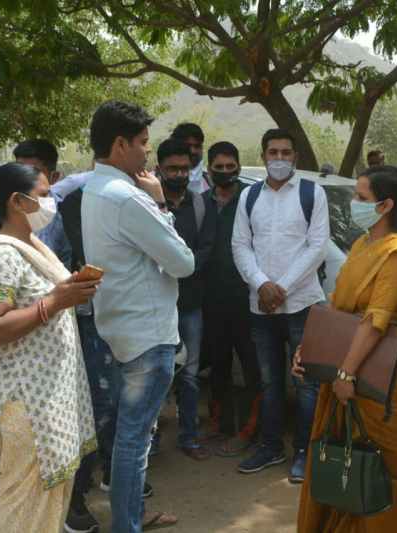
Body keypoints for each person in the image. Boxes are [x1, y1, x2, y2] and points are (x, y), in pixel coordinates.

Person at [294, 164, 397, 531]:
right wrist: (308, 351)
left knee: (380, 471)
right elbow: (340, 306)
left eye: (361, 197)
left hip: (380, 380)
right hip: (346, 367)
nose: (354, 204)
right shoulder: (363, 244)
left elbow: (376, 320)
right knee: (340, 461)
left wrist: (346, 374)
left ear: (385, 205)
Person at [0, 162, 97, 533]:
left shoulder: (32, 246)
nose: (52, 203)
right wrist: (54, 302)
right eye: (44, 195)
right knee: (23, 508)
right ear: (17, 202)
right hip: (26, 404)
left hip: (48, 398)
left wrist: (69, 292)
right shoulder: (0, 255)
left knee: (48, 503)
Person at [82, 100, 193, 532]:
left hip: (119, 327)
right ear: (120, 144)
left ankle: (129, 519)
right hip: (147, 335)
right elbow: (183, 262)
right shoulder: (129, 197)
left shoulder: (94, 187)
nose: (148, 152)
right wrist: (161, 203)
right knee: (135, 440)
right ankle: (126, 525)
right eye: (143, 143)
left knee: (129, 436)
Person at [59, 162, 155, 533]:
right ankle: (74, 496)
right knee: (98, 407)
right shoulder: (74, 203)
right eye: (140, 144)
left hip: (128, 318)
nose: (145, 157)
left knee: (123, 406)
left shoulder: (134, 200)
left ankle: (116, 478)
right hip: (87, 319)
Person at [232, 128, 329, 482]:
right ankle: (271, 446)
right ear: (263, 155)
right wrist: (261, 284)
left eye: (286, 153)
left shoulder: (311, 193)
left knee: (306, 383)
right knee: (269, 382)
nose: (279, 159)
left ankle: (305, 452)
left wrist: (281, 287)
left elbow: (317, 246)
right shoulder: (249, 197)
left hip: (303, 304)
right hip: (261, 308)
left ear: (295, 157)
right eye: (273, 152)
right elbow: (240, 245)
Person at [155, 138, 216, 460]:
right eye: (172, 169)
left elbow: (207, 248)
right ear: (159, 169)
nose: (179, 174)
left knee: (190, 374)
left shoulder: (201, 204)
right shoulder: (147, 205)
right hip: (156, 304)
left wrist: (184, 267)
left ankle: (189, 437)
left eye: (184, 168)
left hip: (190, 304)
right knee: (155, 373)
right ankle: (150, 442)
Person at [202, 141, 262, 457]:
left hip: (248, 299)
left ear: (238, 167)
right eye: (219, 167)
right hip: (212, 301)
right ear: (209, 169)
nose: (225, 172)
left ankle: (250, 430)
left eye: (230, 167)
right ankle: (219, 424)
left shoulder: (253, 201)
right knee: (219, 365)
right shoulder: (201, 203)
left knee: (252, 367)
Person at [13, 139, 72, 267]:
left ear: (54, 177)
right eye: (19, 171)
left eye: (33, 173)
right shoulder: (3, 206)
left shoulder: (61, 214)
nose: (23, 179)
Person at [171, 122, 210, 195]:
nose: (192, 151)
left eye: (197, 146)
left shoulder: (211, 182)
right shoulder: (154, 181)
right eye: (187, 146)